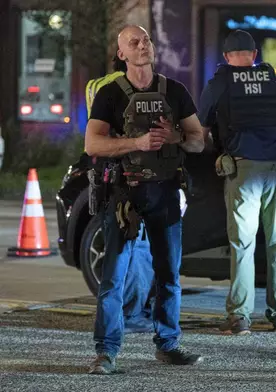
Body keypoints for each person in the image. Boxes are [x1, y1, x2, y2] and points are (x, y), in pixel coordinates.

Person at [84, 25, 205, 374]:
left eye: (147, 40)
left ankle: (168, 344)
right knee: (114, 279)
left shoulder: (175, 90)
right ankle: (106, 352)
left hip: (165, 191)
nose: (143, 45)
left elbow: (198, 141)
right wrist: (135, 144)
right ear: (122, 54)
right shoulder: (110, 94)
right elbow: (93, 144)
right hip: (123, 194)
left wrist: (177, 135)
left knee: (169, 275)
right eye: (134, 42)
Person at [197, 29, 276, 335]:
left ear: (226, 57)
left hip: (244, 169)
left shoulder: (219, 83)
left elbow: (201, 132)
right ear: (254, 55)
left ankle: (240, 317)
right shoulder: (274, 81)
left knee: (243, 245)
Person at [85, 53, 154, 335]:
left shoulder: (95, 85)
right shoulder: (127, 88)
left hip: (103, 170)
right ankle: (134, 313)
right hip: (130, 169)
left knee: (115, 253)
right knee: (139, 248)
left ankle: (116, 319)